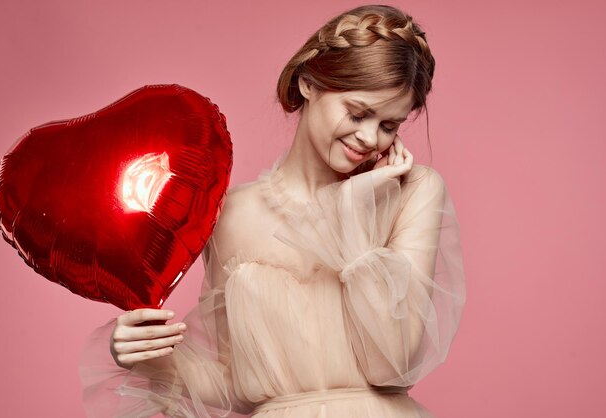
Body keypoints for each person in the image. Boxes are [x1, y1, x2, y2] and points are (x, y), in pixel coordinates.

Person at [80, 4, 466, 417]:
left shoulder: (412, 192)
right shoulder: (231, 215)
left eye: (389, 125)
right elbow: (238, 385)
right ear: (307, 83)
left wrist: (354, 216)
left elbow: (391, 363)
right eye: (358, 113)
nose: (370, 138)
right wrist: (147, 357)